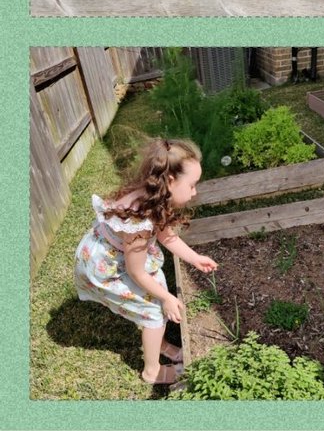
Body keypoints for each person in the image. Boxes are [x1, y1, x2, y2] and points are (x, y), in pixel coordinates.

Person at [74, 137, 218, 384]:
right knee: (153, 309)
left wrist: (194, 258)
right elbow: (136, 272)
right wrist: (167, 298)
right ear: (171, 181)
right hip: (106, 267)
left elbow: (166, 236)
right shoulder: (138, 222)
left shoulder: (156, 195)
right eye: (193, 185)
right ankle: (152, 372)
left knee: (157, 292)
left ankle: (160, 344)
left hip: (124, 256)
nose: (195, 192)